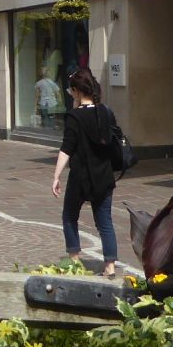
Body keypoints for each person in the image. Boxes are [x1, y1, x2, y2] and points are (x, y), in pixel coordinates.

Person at [50, 67, 118, 277]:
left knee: (69, 216)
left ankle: (74, 261)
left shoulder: (75, 117)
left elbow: (66, 148)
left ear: (77, 91)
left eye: (72, 92)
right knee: (105, 221)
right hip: (104, 175)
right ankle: (110, 267)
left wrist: (56, 176)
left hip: (80, 177)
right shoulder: (106, 111)